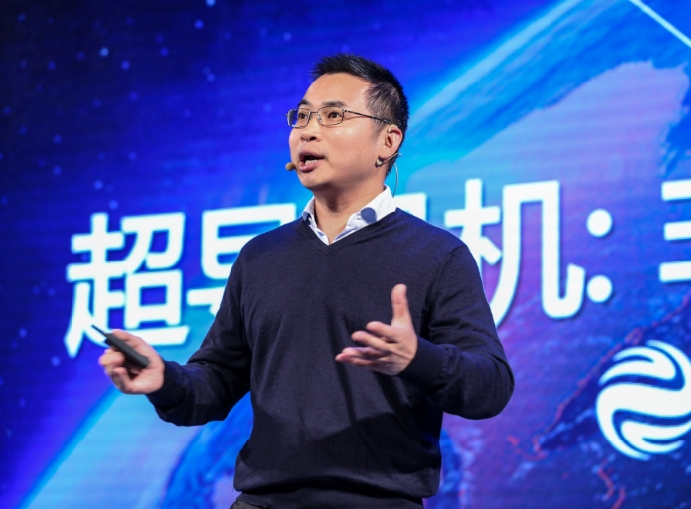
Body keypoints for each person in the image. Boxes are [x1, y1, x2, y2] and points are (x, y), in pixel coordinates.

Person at [99, 53, 514, 509]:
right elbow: (216, 382)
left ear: (388, 140)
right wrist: (163, 380)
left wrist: (418, 358)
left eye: (333, 116)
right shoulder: (260, 257)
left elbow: (490, 386)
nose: (308, 131)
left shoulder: (437, 255)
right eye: (301, 116)